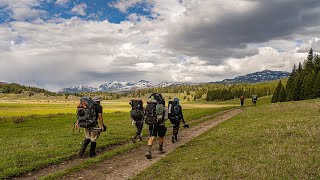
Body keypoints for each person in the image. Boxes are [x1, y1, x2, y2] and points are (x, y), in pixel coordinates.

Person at [145, 94, 167, 159]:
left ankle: (148, 151)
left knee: (152, 136)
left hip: (152, 123)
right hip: (161, 124)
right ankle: (160, 149)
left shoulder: (148, 106)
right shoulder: (163, 107)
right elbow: (165, 118)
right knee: (161, 136)